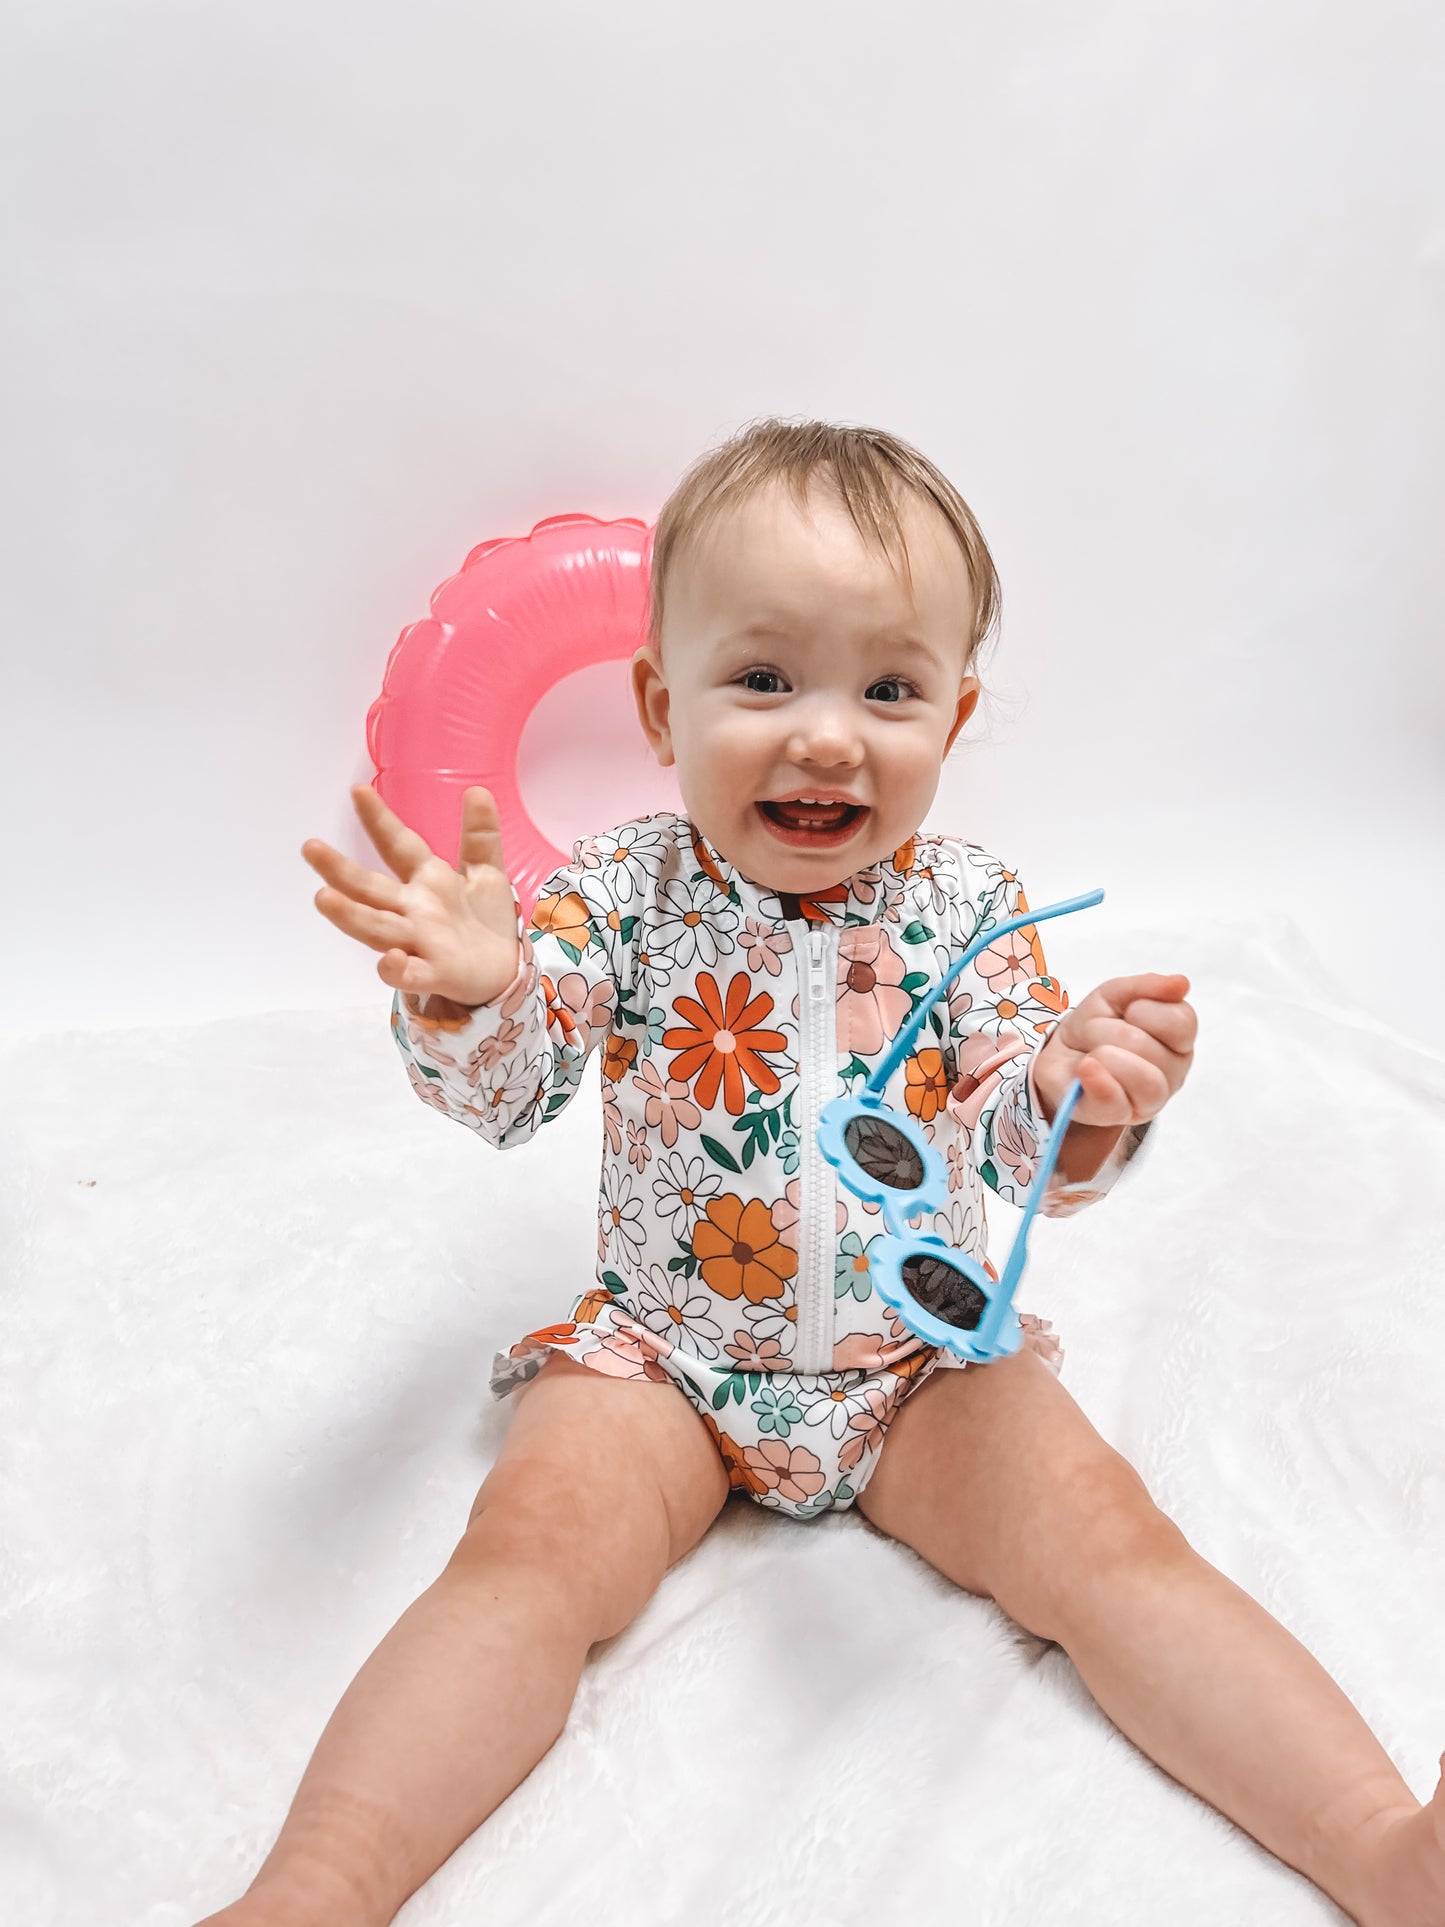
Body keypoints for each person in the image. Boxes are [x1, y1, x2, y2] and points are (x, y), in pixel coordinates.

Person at [204, 421, 1445, 1926]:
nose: (827, 735)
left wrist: (1081, 1098)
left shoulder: (970, 907)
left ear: (954, 714)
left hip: (915, 1364)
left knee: (1115, 1549)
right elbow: (515, 1094)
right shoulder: (621, 891)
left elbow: (1009, 1133)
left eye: (889, 689)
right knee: (523, 1565)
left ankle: (1384, 1851)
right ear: (661, 708)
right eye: (764, 679)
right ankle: (315, 1889)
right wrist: (475, 995)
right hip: (665, 1358)